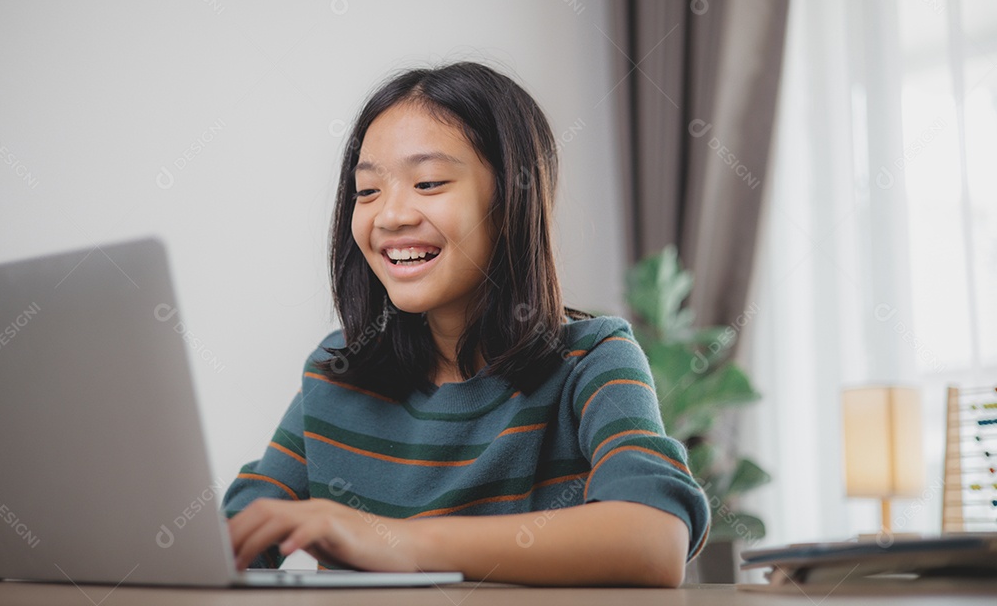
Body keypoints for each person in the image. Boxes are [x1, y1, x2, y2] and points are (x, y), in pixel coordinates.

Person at [222, 61, 710, 586]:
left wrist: (395, 542)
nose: (390, 216)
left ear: (511, 199)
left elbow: (654, 540)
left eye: (428, 182)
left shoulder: (591, 360)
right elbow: (238, 536)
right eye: (367, 192)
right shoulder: (336, 370)